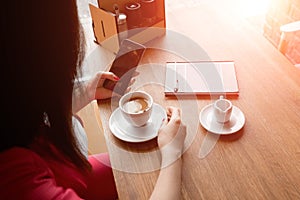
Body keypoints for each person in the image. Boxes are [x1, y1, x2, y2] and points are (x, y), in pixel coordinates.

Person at [0, 1, 186, 199]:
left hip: (67, 174)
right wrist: (172, 153)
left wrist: (85, 91)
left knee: (140, 166)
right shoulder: (19, 182)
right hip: (69, 177)